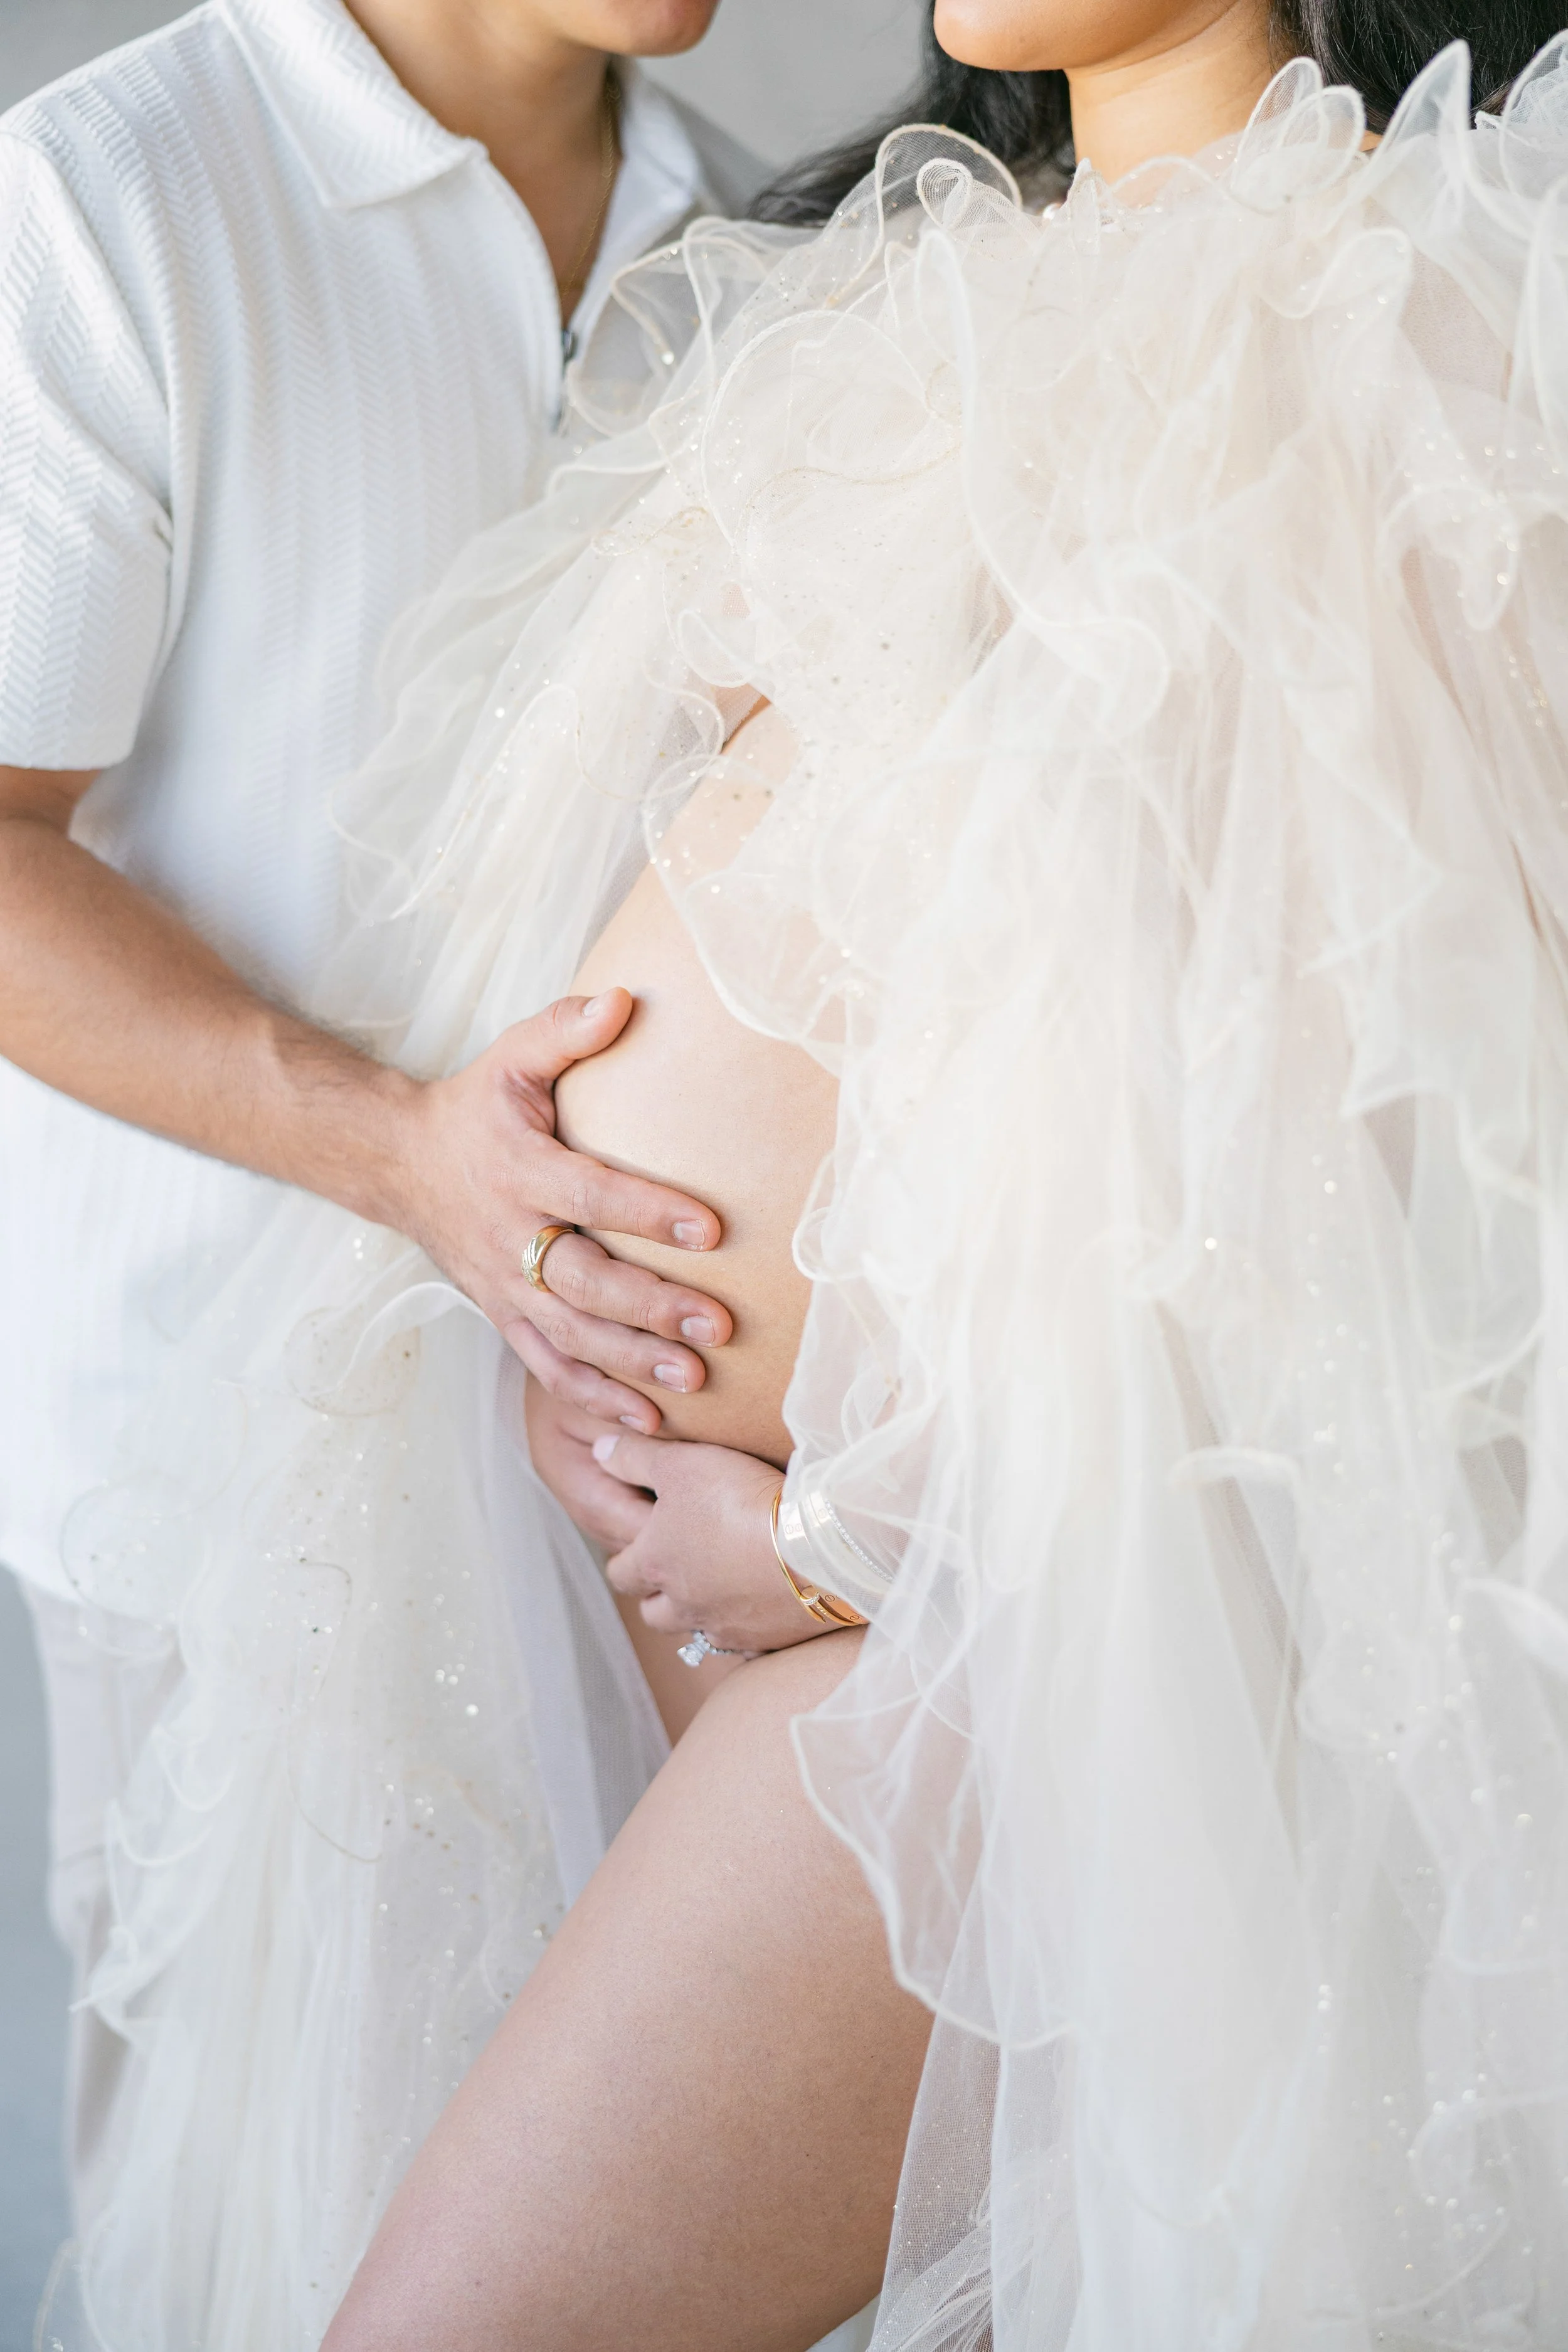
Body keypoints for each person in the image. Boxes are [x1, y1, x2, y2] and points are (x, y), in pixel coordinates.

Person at [273, 0, 1565, 2343]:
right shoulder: (880, 297)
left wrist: (830, 1525)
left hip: (995, 1647)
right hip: (731, 1620)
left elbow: (1430, 1184)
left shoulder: (1404, 313)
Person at [0, 0, 764, 2329]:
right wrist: (403, 1157)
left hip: (636, 1486)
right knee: (268, 2240)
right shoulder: (111, 198)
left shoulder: (737, 226)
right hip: (217, 1469)